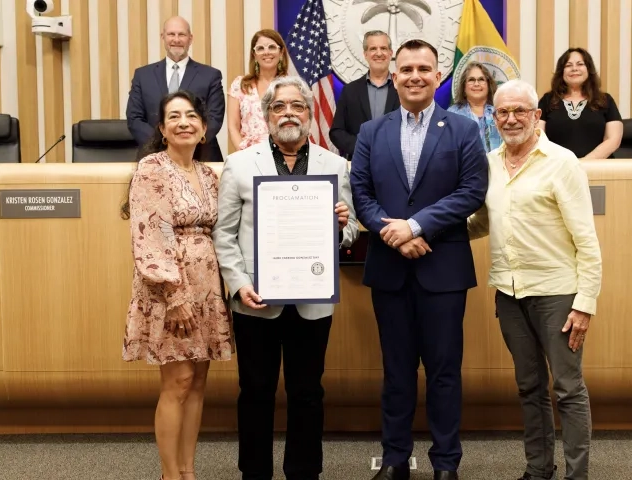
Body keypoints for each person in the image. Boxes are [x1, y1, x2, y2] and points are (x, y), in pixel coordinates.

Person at [349, 39, 488, 480]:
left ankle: (446, 464)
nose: (414, 76)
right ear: (394, 76)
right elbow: (361, 193)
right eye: (406, 69)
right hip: (390, 269)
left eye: (423, 69)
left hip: (442, 269)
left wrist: (416, 225)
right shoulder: (373, 131)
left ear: (438, 76)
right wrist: (395, 235)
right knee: (396, 373)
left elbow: (471, 192)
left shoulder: (463, 130)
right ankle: (395, 461)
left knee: (444, 373)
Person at [213, 75, 360, 480]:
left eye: (298, 106)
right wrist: (239, 283)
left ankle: (304, 471)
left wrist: (342, 224)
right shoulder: (240, 164)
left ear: (311, 116)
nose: (289, 113)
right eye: (280, 107)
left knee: (308, 394)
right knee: (255, 393)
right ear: (266, 116)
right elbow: (223, 234)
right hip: (255, 299)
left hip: (311, 301)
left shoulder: (335, 165)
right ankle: (254, 473)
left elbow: (349, 233)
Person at [467, 79, 602, 480]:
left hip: (557, 295)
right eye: (503, 112)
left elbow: (587, 240)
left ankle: (577, 475)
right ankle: (538, 469)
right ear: (494, 117)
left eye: (519, 111)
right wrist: (429, 229)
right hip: (508, 294)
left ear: (536, 115)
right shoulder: (489, 162)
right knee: (529, 387)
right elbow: (482, 223)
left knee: (567, 389)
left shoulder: (562, 162)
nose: (511, 119)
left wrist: (585, 303)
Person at [121, 90, 233, 480]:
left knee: (198, 382)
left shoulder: (207, 173)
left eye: (191, 116)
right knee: (178, 380)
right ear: (162, 129)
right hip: (171, 290)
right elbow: (150, 235)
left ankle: (188, 471)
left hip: (207, 288)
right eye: (174, 117)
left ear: (204, 129)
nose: (183, 122)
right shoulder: (152, 168)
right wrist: (176, 296)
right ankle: (170, 475)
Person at [126, 16, 225, 162]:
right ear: (163, 37)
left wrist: (187, 143)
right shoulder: (143, 75)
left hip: (200, 155)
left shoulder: (210, 75)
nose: (176, 39)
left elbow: (214, 118)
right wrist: (162, 142)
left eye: (182, 34)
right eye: (171, 34)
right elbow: (134, 118)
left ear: (190, 39)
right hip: (153, 156)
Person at [539, 47, 622, 159]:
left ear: (588, 69)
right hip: (557, 169)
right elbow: (538, 137)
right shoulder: (547, 100)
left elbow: (613, 139)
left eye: (580, 64)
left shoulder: (605, 100)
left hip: (597, 169)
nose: (574, 69)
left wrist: (584, 163)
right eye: (568, 65)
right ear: (561, 72)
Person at [329, 30, 400, 159]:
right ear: (365, 54)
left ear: (391, 53)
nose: (379, 53)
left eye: (383, 48)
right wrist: (362, 147)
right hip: (359, 164)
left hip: (396, 163)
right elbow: (336, 132)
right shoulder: (350, 90)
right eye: (373, 49)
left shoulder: (403, 89)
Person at [227, 29, 289, 152]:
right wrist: (244, 154)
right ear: (254, 55)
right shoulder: (240, 85)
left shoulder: (291, 85)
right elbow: (233, 126)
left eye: (272, 47)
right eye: (260, 48)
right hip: (248, 155)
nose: (266, 52)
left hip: (284, 154)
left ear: (281, 52)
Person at [447, 61, 501, 152]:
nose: (476, 84)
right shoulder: (452, 114)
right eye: (471, 80)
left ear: (488, 85)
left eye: (481, 79)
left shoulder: (500, 112)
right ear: (464, 87)